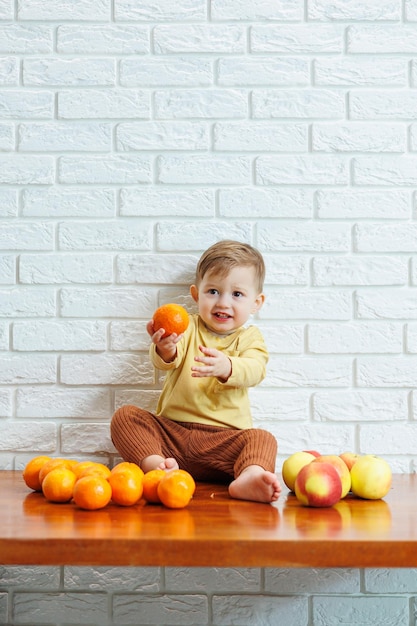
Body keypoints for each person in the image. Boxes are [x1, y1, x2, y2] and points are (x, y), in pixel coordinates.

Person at [111, 240, 280, 503]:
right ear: (195, 294)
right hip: (172, 436)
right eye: (213, 291)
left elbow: (256, 369)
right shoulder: (187, 326)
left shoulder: (250, 338)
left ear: (256, 303)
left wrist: (228, 366)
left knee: (262, 439)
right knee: (126, 417)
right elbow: (166, 360)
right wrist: (165, 348)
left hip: (224, 443)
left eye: (237, 294)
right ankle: (158, 467)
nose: (223, 303)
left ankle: (249, 475)